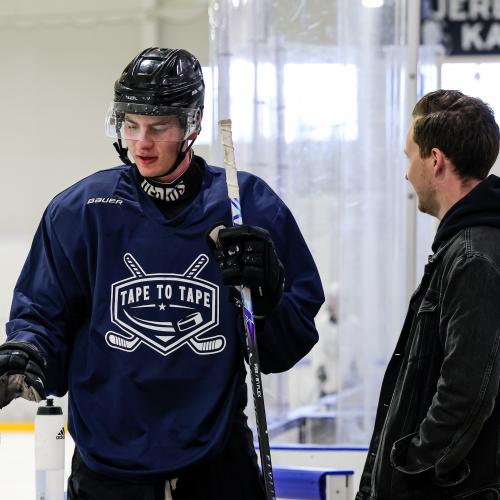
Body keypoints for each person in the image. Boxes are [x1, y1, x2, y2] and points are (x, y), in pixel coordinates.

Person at [0, 47, 324, 500]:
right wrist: (28, 351)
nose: (141, 143)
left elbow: (285, 346)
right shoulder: (82, 211)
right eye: (131, 125)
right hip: (109, 469)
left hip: (216, 464)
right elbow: (42, 315)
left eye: (158, 127)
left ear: (192, 125)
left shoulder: (246, 206)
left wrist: (268, 302)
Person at [356, 89, 500, 500]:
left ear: (435, 160)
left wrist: (412, 468)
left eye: (409, 157)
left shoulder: (474, 257)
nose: (406, 174)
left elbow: (465, 393)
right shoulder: (464, 248)